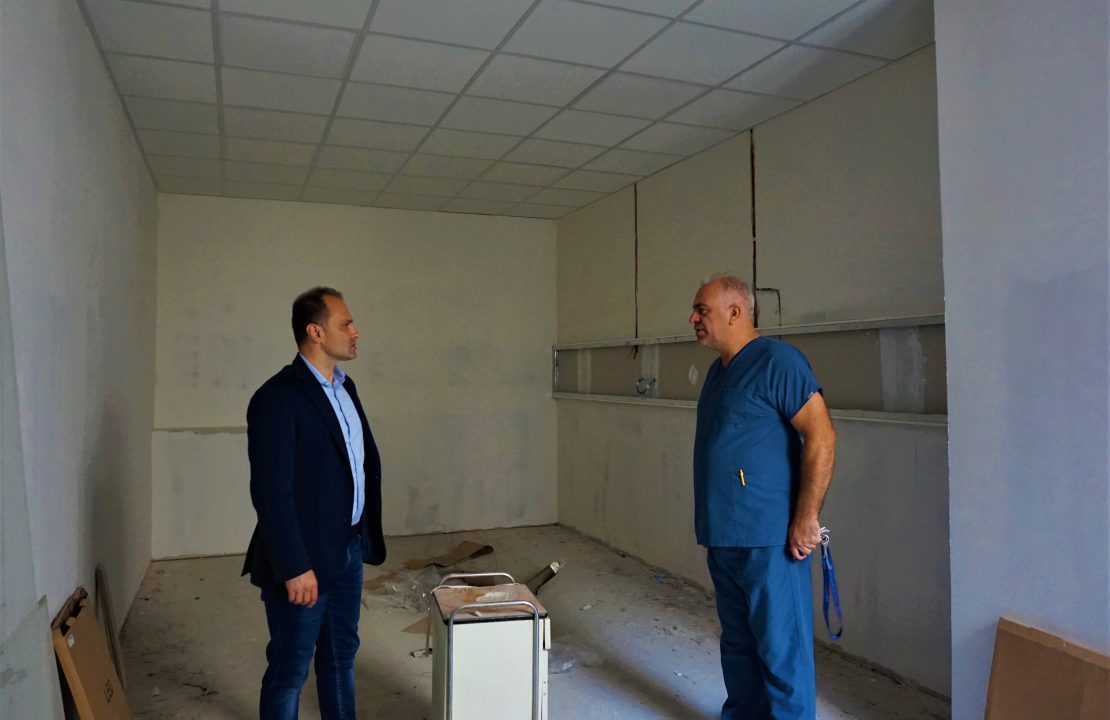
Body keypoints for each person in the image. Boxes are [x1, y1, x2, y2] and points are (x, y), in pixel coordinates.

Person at [689, 274, 836, 720]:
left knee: (781, 649)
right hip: (724, 537)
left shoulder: (778, 362)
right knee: (738, 646)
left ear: (735, 312)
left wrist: (807, 518)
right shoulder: (718, 372)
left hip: (769, 538)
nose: (693, 319)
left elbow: (821, 437)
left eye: (702, 310)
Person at [242, 286, 386, 719]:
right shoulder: (277, 398)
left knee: (340, 657)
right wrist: (293, 566)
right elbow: (271, 492)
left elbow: (355, 466)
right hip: (303, 559)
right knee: (290, 668)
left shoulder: (345, 388)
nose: (356, 331)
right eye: (346, 324)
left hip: (348, 548)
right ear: (315, 332)